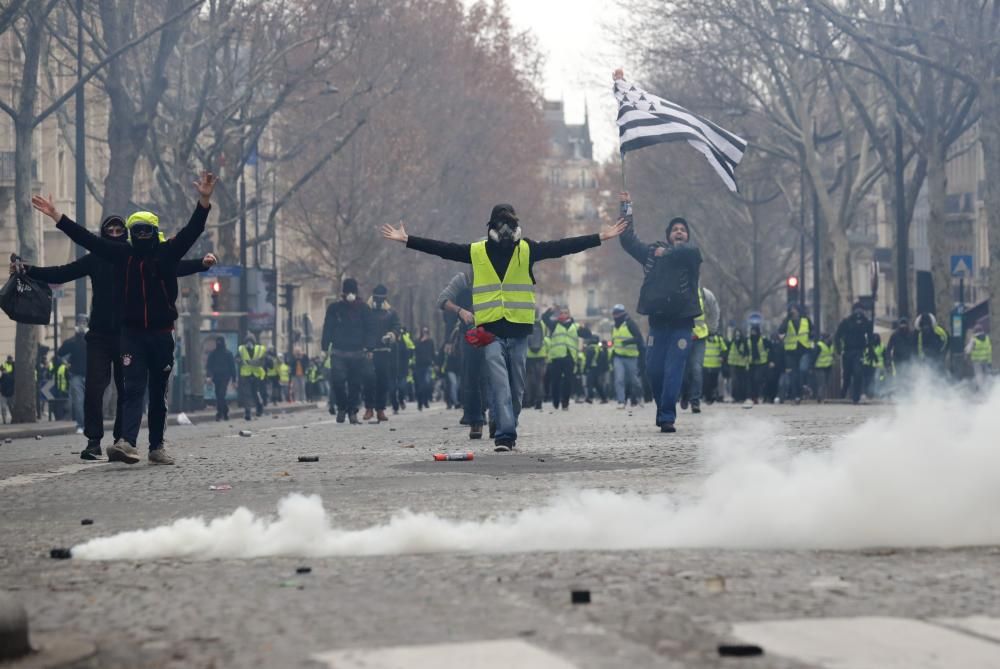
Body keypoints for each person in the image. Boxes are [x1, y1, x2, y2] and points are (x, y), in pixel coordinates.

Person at [381, 203, 624, 450]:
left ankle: (509, 422)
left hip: (519, 330)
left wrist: (601, 237)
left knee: (517, 388)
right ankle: (505, 436)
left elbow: (563, 246)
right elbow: (443, 249)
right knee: (499, 385)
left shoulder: (527, 249)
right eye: (501, 224)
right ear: (492, 228)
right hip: (490, 332)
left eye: (511, 224)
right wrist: (407, 239)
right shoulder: (477, 251)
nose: (507, 230)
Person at [33, 171, 218, 465]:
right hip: (131, 333)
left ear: (153, 230)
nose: (142, 234)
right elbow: (87, 240)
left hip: (160, 333)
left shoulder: (167, 253)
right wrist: (58, 216)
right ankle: (126, 442)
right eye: (138, 230)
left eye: (146, 229)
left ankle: (156, 445)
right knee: (132, 388)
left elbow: (193, 230)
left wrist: (204, 200)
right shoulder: (123, 256)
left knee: (157, 392)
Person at [617, 191, 702, 432]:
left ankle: (667, 417)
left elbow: (691, 253)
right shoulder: (652, 254)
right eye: (674, 229)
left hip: (682, 325)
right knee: (653, 370)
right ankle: (662, 406)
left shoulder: (690, 255)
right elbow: (628, 240)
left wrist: (668, 252)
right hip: (657, 324)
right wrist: (626, 208)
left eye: (682, 229)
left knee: (674, 368)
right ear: (667, 235)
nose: (679, 231)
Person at [438, 271, 488, 438]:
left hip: (494, 331)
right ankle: (475, 420)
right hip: (470, 332)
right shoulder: (463, 279)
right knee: (471, 377)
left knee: (492, 376)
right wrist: (460, 311)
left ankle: (495, 417)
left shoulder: (498, 273)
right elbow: (443, 300)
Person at [321, 277, 376, 425]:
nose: (350, 295)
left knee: (355, 384)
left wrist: (370, 348)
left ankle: (352, 411)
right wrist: (325, 347)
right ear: (343, 293)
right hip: (339, 351)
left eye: (352, 292)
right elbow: (328, 328)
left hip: (358, 352)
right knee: (338, 382)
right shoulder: (335, 309)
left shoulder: (364, 309)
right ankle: (342, 407)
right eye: (348, 292)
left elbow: (370, 329)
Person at [542, 306, 592, 410]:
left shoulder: (575, 326)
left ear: (569, 314)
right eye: (561, 313)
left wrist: (585, 328)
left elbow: (588, 335)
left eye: (565, 313)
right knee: (556, 380)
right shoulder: (554, 324)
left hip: (570, 357)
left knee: (568, 380)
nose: (563, 315)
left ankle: (565, 402)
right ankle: (556, 401)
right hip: (557, 356)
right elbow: (545, 319)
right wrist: (549, 311)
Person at [680, 287, 719, 413]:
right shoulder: (679, 290)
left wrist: (712, 329)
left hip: (699, 337)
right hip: (682, 337)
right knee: (683, 370)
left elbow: (714, 311)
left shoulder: (705, 294)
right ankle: (684, 394)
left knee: (696, 369)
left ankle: (695, 401)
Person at [368, 284, 400, 422]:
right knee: (368, 380)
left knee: (383, 381)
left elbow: (397, 326)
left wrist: (391, 334)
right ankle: (369, 407)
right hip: (369, 351)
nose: (379, 301)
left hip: (384, 351)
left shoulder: (391, 313)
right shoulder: (366, 311)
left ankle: (380, 409)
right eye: (377, 298)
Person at [834, 302, 872, 404]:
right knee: (847, 374)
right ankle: (844, 391)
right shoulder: (846, 322)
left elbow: (870, 337)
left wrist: (870, 350)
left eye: (861, 309)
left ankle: (856, 397)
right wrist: (839, 349)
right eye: (857, 309)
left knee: (858, 372)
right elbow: (837, 335)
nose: (859, 312)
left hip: (859, 351)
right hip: (847, 351)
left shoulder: (866, 322)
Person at [610, 304, 644, 408]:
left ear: (622, 313)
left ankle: (639, 397)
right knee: (619, 379)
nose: (615, 315)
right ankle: (621, 401)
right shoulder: (614, 327)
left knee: (634, 381)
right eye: (614, 313)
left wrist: (628, 342)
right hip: (618, 357)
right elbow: (614, 342)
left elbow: (639, 338)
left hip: (631, 357)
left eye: (617, 313)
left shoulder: (630, 324)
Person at [56, 323, 88, 434]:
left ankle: (86, 424)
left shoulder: (92, 339)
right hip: (77, 375)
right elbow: (60, 352)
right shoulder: (72, 342)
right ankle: (81, 425)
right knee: (79, 402)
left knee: (88, 401)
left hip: (89, 375)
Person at [779, 305, 814, 403]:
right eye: (791, 311)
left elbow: (812, 330)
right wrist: (787, 319)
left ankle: (804, 386)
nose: (794, 313)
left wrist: (811, 337)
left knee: (803, 369)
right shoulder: (787, 321)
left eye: (795, 310)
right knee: (794, 374)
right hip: (791, 351)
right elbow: (781, 330)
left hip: (804, 349)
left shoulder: (805, 320)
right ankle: (796, 394)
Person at [206, 336, 236, 420]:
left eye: (220, 342)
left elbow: (232, 367)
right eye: (217, 342)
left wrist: (234, 379)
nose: (219, 343)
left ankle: (220, 413)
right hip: (216, 377)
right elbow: (209, 366)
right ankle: (225, 410)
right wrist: (209, 376)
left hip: (225, 377)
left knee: (221, 394)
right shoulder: (213, 354)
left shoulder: (228, 353)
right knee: (218, 395)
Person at [237, 334, 266, 420]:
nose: (249, 344)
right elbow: (237, 358)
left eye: (251, 342)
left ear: (254, 342)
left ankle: (259, 407)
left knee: (256, 393)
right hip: (246, 375)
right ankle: (248, 412)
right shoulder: (241, 349)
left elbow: (262, 361)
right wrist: (239, 361)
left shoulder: (260, 349)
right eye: (247, 342)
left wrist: (252, 362)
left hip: (256, 375)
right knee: (247, 394)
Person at [522, 319, 548, 412]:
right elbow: (545, 336)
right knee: (539, 379)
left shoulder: (526, 321)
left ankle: (528, 401)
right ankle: (539, 402)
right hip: (541, 355)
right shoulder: (542, 323)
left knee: (528, 379)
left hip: (529, 355)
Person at [414, 326, 436, 410]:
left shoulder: (430, 341)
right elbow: (415, 351)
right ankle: (420, 403)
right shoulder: (417, 341)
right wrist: (422, 341)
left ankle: (426, 401)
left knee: (427, 384)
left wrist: (435, 363)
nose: (425, 333)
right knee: (420, 386)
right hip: (419, 365)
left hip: (428, 365)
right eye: (424, 332)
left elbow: (433, 352)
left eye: (426, 332)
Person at [965, 324, 992, 392]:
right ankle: (988, 388)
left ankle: (981, 390)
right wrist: (989, 361)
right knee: (986, 374)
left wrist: (966, 352)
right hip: (985, 359)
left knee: (978, 375)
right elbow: (989, 350)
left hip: (976, 361)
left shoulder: (974, 340)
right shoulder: (987, 338)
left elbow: (968, 350)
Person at [701, 333, 727, 404]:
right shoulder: (704, 340)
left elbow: (724, 349)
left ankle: (712, 397)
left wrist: (722, 357)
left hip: (716, 365)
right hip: (705, 365)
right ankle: (707, 397)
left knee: (713, 382)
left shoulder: (719, 340)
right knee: (706, 382)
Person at [747, 324, 769, 404]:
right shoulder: (748, 340)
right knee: (752, 381)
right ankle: (754, 397)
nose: (753, 333)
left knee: (758, 379)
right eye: (752, 331)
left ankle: (759, 395)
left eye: (755, 331)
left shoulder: (763, 340)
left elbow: (768, 349)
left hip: (762, 362)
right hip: (751, 363)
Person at [585, 335, 610, 403]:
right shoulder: (599, 348)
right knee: (597, 384)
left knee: (589, 383)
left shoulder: (590, 348)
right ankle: (604, 398)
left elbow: (588, 359)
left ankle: (590, 397)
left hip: (592, 367)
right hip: (598, 368)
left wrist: (586, 367)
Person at [728, 329, 750, 404]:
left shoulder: (744, 342)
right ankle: (735, 397)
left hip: (742, 365)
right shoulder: (732, 342)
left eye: (738, 334)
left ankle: (742, 397)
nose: (737, 336)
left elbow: (747, 353)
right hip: (733, 364)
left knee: (742, 382)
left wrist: (747, 363)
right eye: (736, 334)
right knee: (735, 382)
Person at [813, 333, 835, 402]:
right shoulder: (819, 345)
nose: (829, 340)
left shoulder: (831, 345)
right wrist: (812, 366)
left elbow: (832, 354)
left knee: (827, 383)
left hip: (828, 366)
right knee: (821, 383)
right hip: (819, 367)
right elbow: (814, 356)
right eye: (827, 338)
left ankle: (824, 397)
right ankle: (820, 397)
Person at [0, 355, 13, 424]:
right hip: (4, 392)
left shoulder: (13, 365)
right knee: (3, 407)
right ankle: (4, 420)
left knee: (11, 407)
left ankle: (12, 418)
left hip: (9, 392)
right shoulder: (4, 366)